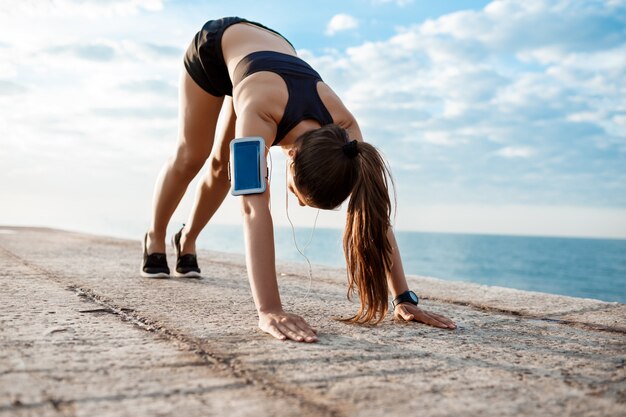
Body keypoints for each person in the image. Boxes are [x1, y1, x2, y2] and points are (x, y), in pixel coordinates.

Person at [142, 17, 456, 343]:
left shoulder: (346, 129)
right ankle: (154, 237)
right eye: (298, 195)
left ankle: (187, 240)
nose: (298, 202)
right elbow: (252, 208)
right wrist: (270, 309)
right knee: (194, 156)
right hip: (217, 48)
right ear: (290, 159)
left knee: (225, 168)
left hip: (270, 57)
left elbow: (372, 208)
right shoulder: (260, 113)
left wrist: (403, 297)